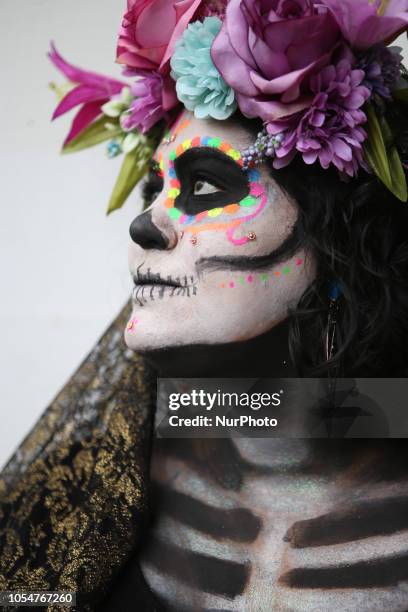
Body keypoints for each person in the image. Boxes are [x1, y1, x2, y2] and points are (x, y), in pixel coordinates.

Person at [1, 1, 408, 610]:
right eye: (155, 190)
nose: (145, 224)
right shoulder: (96, 488)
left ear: (338, 238)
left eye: (206, 184)